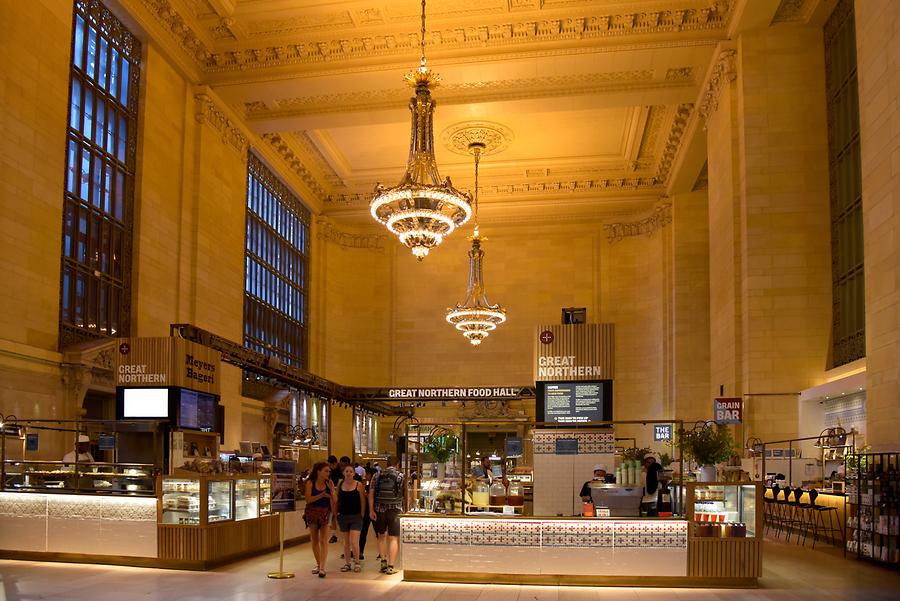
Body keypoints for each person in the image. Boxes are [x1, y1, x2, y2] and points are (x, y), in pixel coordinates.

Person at [369, 455, 403, 575]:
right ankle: (391, 566)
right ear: (397, 464)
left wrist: (371, 510)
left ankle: (383, 562)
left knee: (381, 535)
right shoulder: (400, 476)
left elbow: (371, 493)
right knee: (393, 537)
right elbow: (404, 494)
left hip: (379, 508)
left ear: (387, 463)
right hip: (395, 509)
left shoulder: (377, 475)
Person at [302, 461, 336, 577]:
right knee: (315, 540)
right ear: (318, 472)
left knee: (324, 540)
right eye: (326, 471)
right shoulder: (310, 483)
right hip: (312, 513)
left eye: (329, 471)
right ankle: (318, 563)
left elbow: (335, 499)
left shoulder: (329, 483)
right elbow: (308, 499)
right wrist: (321, 495)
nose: (328, 473)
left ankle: (322, 567)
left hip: (325, 513)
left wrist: (332, 490)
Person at [336, 464, 366, 573]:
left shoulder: (359, 485)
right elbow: (337, 500)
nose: (348, 473)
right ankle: (347, 563)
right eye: (346, 471)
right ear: (343, 473)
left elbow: (363, 501)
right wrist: (336, 514)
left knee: (354, 541)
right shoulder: (340, 485)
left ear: (354, 473)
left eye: (350, 471)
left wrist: (362, 514)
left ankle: (357, 562)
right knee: (345, 542)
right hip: (343, 516)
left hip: (356, 516)